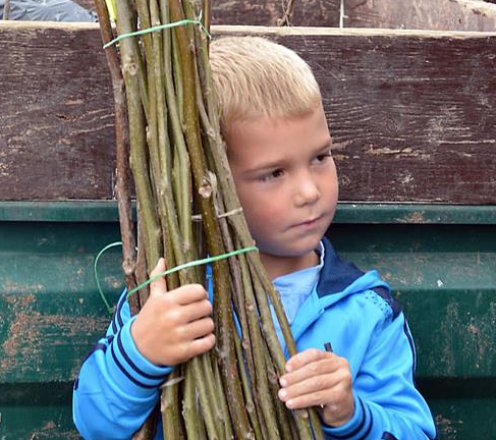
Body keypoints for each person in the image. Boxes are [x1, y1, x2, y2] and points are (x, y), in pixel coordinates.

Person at [72, 36, 436, 440]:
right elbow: (94, 424)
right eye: (274, 173)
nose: (309, 191)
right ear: (209, 186)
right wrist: (141, 352)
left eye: (320, 157)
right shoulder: (171, 296)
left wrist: (352, 415)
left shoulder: (366, 311)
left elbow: (415, 432)